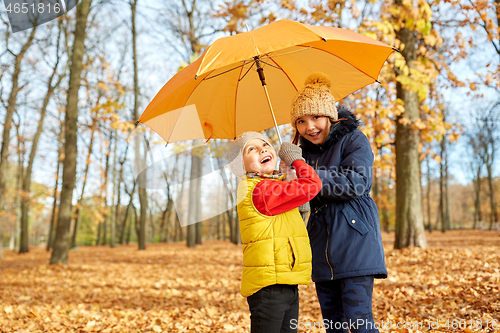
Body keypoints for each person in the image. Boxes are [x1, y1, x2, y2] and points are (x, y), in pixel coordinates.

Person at [290, 73, 387, 333]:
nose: (309, 127)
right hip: (320, 247)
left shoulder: (354, 139)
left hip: (355, 243)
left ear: (330, 117)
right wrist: (286, 174)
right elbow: (296, 197)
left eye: (315, 117)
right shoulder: (300, 154)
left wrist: (306, 175)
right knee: (334, 326)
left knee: (359, 324)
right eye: (301, 120)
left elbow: (356, 182)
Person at [227, 131, 322, 333]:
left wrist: (289, 177)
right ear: (240, 165)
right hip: (270, 287)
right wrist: (297, 160)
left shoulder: (272, 187)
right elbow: (313, 185)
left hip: (285, 281)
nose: (262, 148)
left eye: (265, 144)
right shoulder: (259, 190)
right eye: (251, 149)